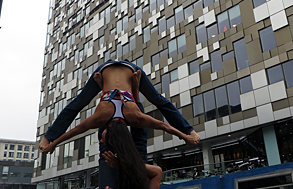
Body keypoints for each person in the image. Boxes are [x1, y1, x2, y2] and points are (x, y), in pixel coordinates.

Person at [39, 60, 200, 152]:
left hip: (125, 72)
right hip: (114, 71)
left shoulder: (134, 118)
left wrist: (185, 137)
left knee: (80, 103)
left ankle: (189, 129)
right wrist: (52, 143)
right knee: (158, 100)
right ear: (107, 130)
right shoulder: (102, 118)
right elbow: (75, 130)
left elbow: (164, 126)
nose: (101, 138)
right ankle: (48, 136)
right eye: (103, 137)